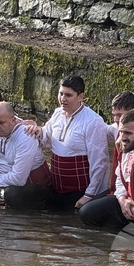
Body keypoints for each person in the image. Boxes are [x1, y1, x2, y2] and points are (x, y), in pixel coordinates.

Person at [78, 108, 134, 230]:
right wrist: (122, 201)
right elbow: (120, 178)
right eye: (121, 132)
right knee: (88, 212)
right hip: (128, 204)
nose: (123, 137)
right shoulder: (127, 145)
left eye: (128, 133)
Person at [28, 75, 109, 210]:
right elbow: (46, 137)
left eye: (68, 95)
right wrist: (36, 130)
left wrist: (89, 195)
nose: (62, 99)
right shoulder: (57, 113)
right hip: (56, 188)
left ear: (81, 96)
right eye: (61, 93)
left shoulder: (93, 122)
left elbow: (100, 162)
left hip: (79, 192)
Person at [0, 102, 52, 210]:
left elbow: (19, 179)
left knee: (11, 194)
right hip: (10, 185)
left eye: (0, 123)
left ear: (13, 120)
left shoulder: (26, 136)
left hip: (36, 188)